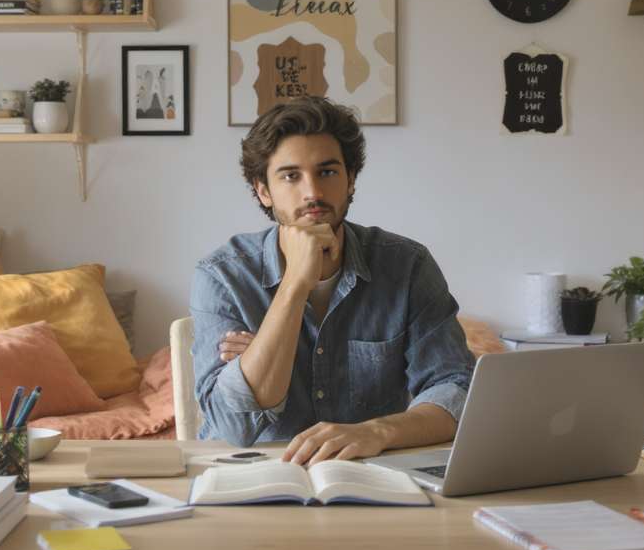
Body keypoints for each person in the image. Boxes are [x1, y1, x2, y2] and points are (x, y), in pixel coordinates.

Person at [190, 96, 474, 467]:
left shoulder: (407, 266)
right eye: (290, 176)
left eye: (327, 172)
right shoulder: (222, 275)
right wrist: (294, 283)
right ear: (263, 190)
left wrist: (374, 431)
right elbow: (235, 426)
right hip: (252, 478)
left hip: (366, 477)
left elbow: (457, 391)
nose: (312, 193)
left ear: (351, 179)